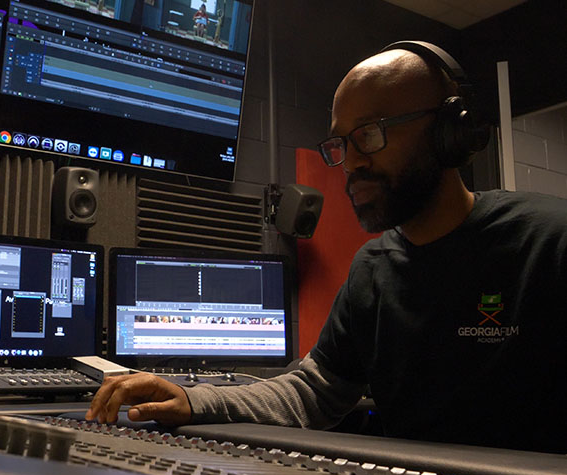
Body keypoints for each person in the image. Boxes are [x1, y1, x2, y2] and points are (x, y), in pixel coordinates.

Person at [86, 42, 567, 453]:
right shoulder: (374, 270)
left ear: (448, 130)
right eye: (341, 143)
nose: (350, 162)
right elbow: (312, 392)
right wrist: (194, 400)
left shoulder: (549, 241)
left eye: (369, 134)